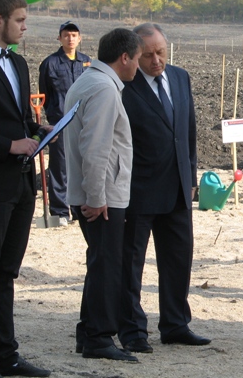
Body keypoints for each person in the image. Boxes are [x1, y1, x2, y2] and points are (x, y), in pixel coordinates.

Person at [119, 23, 210, 353]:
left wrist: (192, 180)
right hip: (139, 190)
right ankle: (132, 330)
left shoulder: (180, 77)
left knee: (178, 259)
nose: (156, 61)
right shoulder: (124, 86)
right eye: (148, 55)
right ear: (133, 55)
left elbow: (188, 133)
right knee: (131, 264)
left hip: (177, 188)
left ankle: (175, 324)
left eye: (161, 52)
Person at [63, 28, 142, 362]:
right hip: (102, 197)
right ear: (124, 57)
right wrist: (96, 196)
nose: (138, 65)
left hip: (97, 192)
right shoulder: (103, 89)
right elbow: (94, 148)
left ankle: (88, 332)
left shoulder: (90, 80)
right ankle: (99, 338)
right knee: (108, 264)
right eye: (138, 58)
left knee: (99, 263)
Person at [0, 0, 52, 377]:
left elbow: (15, 119)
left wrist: (38, 129)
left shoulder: (20, 64)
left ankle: (7, 355)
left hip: (22, 184)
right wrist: (9, 144)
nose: (25, 27)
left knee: (8, 272)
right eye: (20, 20)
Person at [38, 21, 91, 224]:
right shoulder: (50, 63)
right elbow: (46, 94)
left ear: (80, 38)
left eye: (74, 35)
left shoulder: (86, 62)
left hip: (83, 122)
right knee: (59, 166)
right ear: (59, 38)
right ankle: (60, 211)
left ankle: (78, 209)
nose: (70, 39)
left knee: (81, 164)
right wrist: (53, 116)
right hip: (59, 123)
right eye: (66, 35)